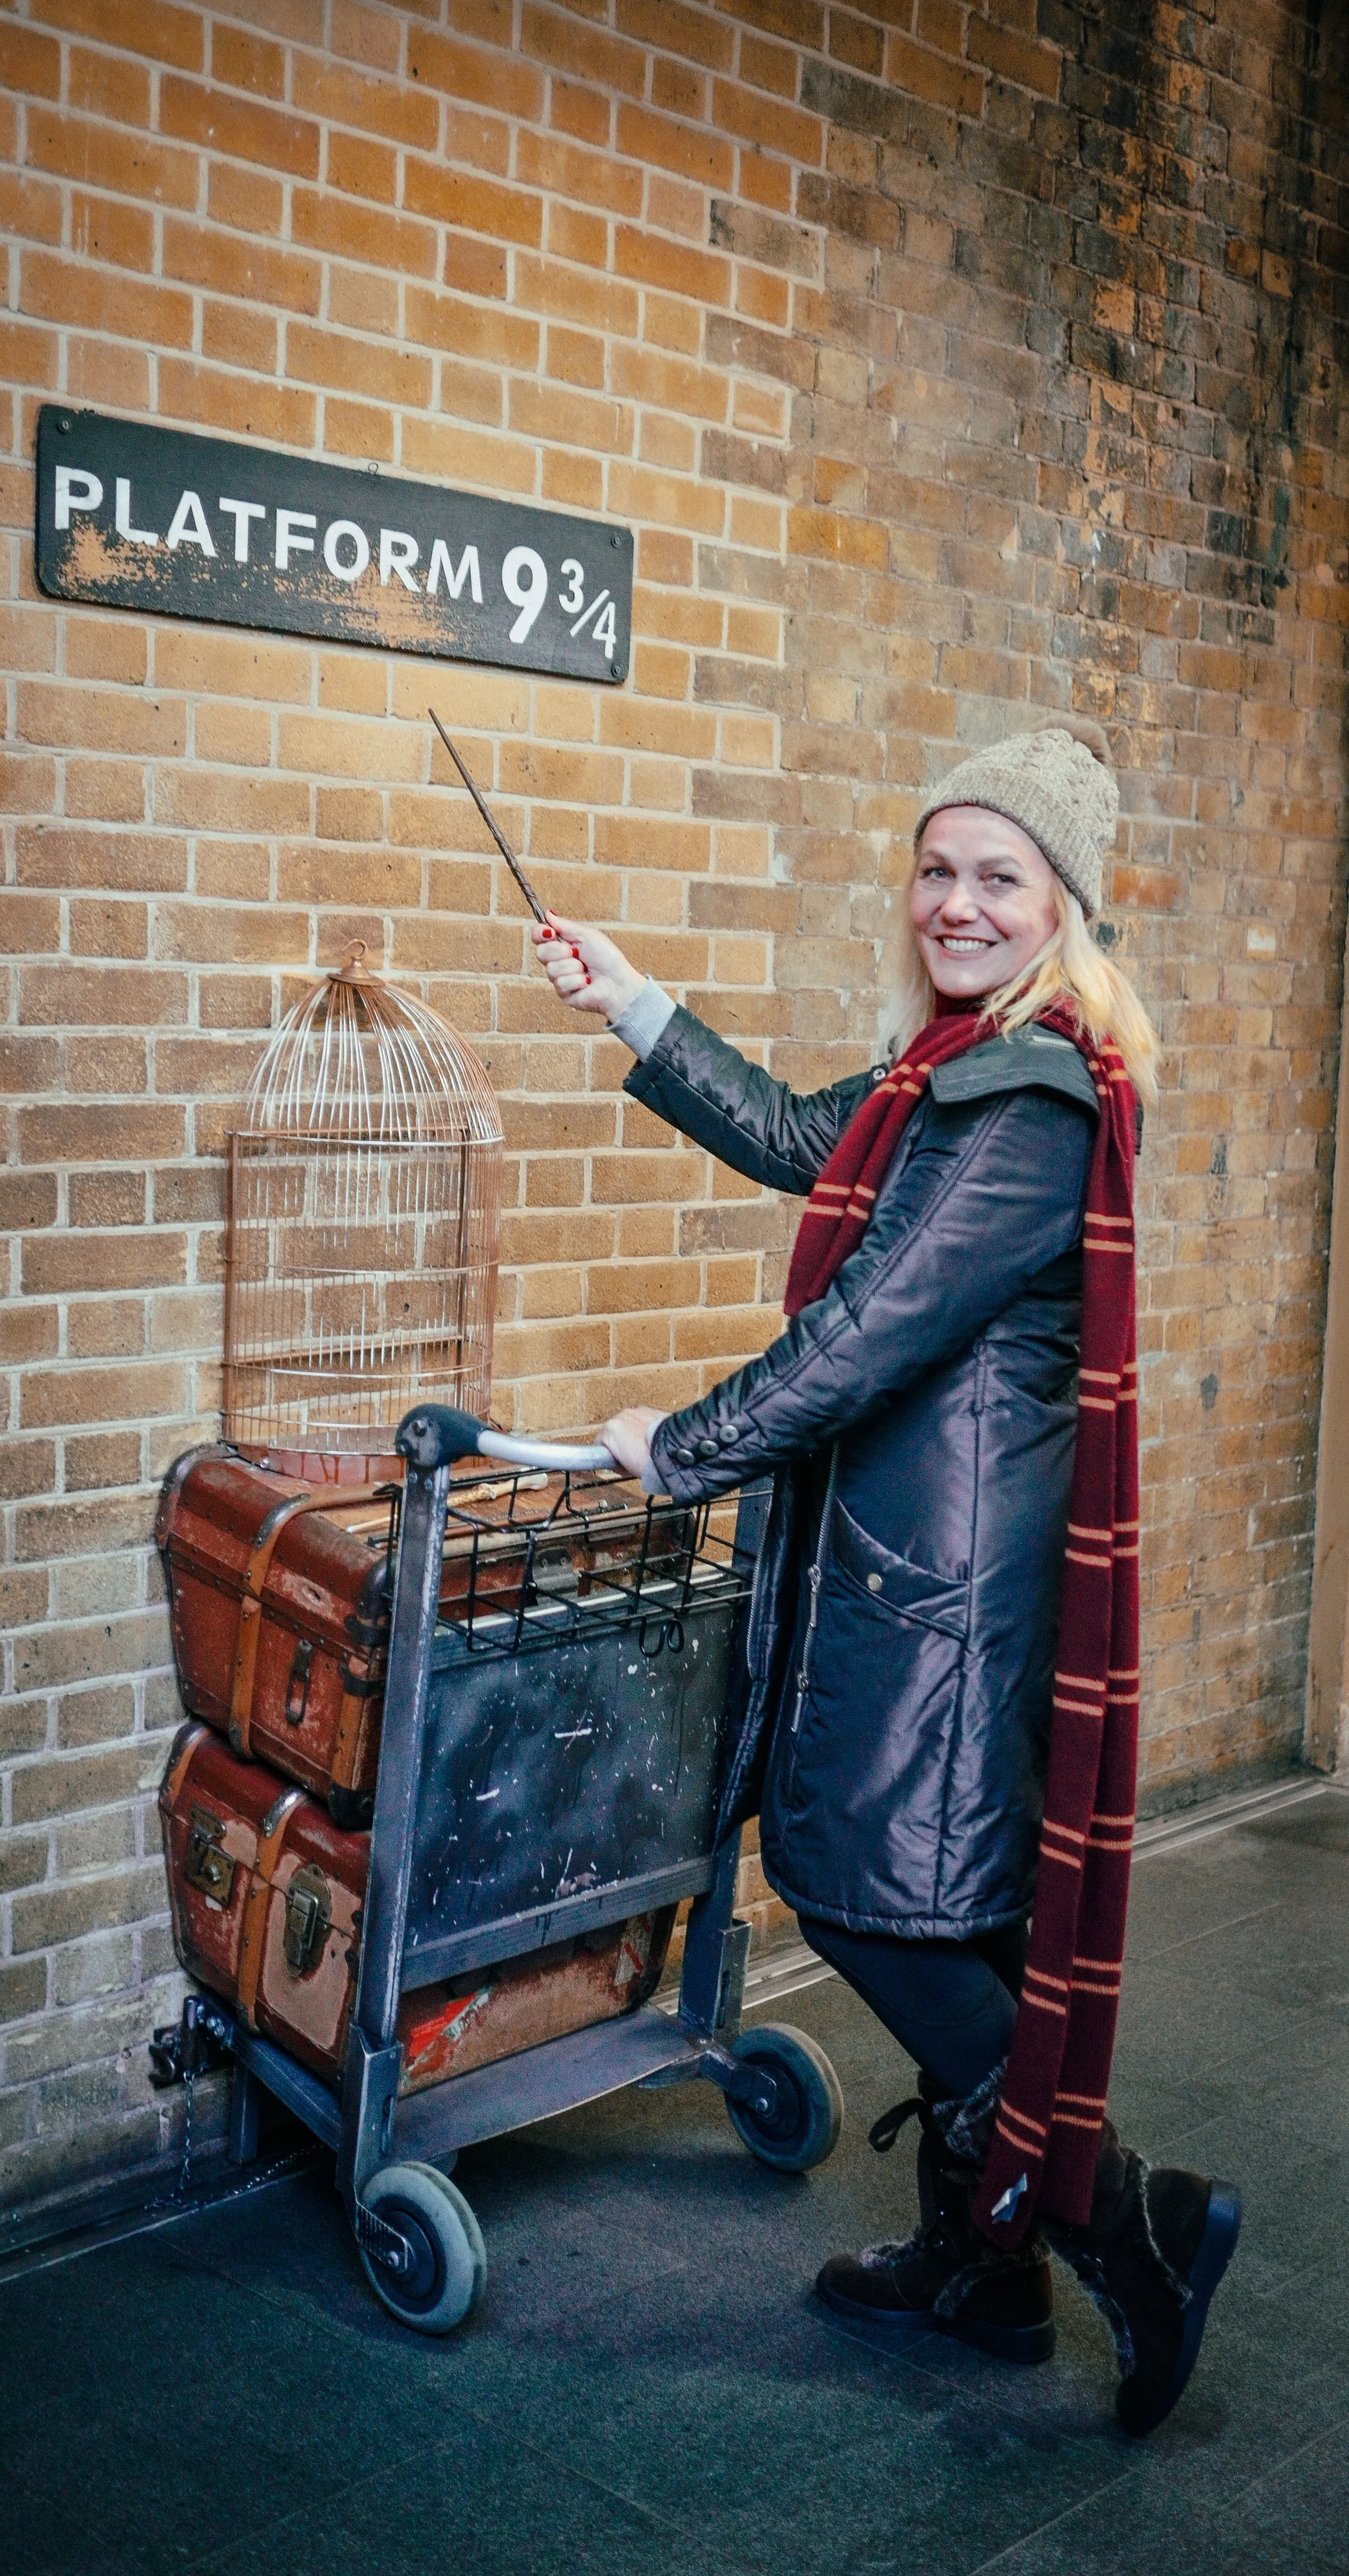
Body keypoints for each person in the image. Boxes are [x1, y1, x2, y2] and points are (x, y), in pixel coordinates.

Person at [531, 720, 1241, 2436]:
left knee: (861, 1891)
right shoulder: (953, 1072)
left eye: (1000, 876)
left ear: (1065, 905)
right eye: (936, 869)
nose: (956, 903)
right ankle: (981, 2272)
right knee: (961, 1902)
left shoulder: (1026, 1093)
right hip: (929, 1562)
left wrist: (679, 1445)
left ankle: (1122, 2214)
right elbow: (800, 1133)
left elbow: (869, 1328)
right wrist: (634, 1005)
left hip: (941, 1585)